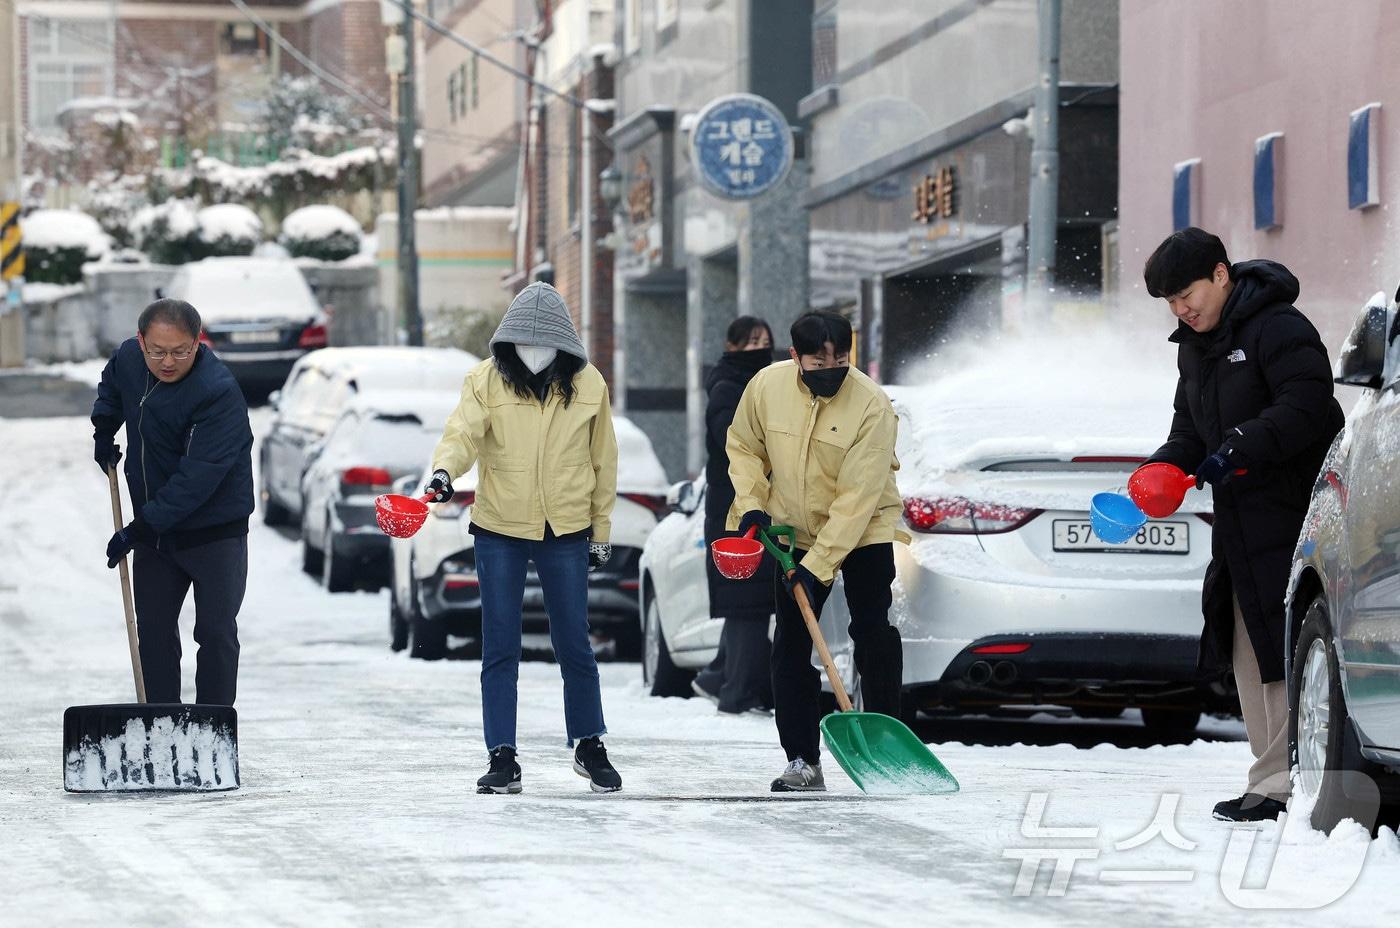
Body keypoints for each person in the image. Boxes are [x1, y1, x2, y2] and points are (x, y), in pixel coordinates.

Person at [1137, 227, 1344, 822]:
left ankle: (1286, 780)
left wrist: (1240, 445)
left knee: (1285, 643)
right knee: (1247, 646)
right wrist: (1164, 467)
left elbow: (1308, 404)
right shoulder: (1194, 347)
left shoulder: (1279, 327)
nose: (1181, 310)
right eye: (1170, 303)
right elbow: (1188, 429)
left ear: (1222, 274)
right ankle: (1271, 775)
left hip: (1298, 513)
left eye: (1187, 295)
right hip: (1240, 520)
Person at [427, 282, 623, 795]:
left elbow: (603, 462)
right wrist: (445, 473)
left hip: (566, 527)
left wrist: (600, 532)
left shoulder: (588, 385)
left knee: (573, 640)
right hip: (499, 527)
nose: (533, 352)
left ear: (564, 344)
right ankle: (502, 754)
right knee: (499, 643)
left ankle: (589, 742)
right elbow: (462, 434)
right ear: (508, 341)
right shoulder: (485, 381)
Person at [726, 311, 909, 791]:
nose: (831, 367)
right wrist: (751, 504)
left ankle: (890, 748)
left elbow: (857, 499)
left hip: (863, 527)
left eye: (840, 358)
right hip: (794, 532)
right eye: (818, 359)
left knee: (872, 630)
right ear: (794, 357)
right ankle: (802, 760)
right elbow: (744, 446)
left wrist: (818, 567)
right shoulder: (767, 387)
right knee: (790, 641)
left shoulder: (871, 405)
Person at [90, 298, 254, 706]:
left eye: (181, 351)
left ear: (198, 343)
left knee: (215, 633)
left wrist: (140, 528)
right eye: (157, 351)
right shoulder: (130, 358)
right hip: (157, 535)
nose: (167, 361)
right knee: (155, 632)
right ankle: (161, 726)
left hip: (214, 535)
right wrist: (104, 429)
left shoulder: (217, 393)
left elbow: (197, 479)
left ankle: (211, 728)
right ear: (141, 340)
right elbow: (113, 383)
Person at [692, 316, 777, 715]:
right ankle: (738, 691)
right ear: (731, 346)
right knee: (748, 604)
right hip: (736, 511)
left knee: (749, 601)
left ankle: (721, 674)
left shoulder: (768, 386)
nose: (759, 348)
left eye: (765, 340)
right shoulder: (729, 388)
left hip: (754, 508)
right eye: (751, 342)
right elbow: (736, 447)